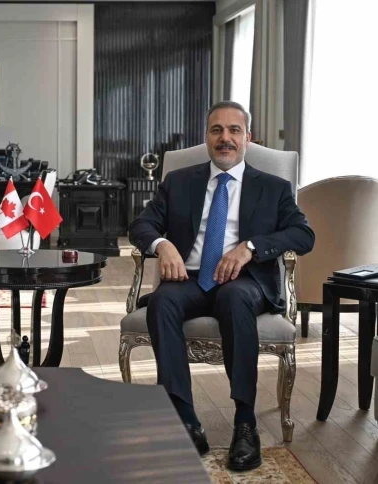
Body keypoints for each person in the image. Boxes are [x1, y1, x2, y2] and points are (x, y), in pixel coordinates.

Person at [129, 101, 314, 471]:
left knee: (234, 298)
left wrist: (251, 247)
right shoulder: (179, 182)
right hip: (190, 279)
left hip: (245, 282)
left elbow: (303, 235)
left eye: (233, 130)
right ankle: (185, 420)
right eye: (216, 130)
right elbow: (141, 225)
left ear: (248, 138)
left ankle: (245, 425)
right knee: (162, 302)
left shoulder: (273, 188)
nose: (225, 138)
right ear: (207, 137)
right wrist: (162, 245)